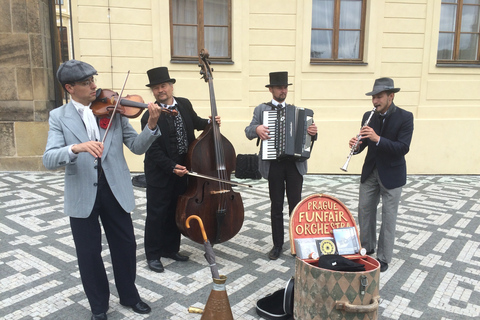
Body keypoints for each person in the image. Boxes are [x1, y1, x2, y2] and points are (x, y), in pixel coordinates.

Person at [43, 60, 162, 320]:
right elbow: (49, 159)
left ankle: (130, 296)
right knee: (88, 254)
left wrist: (151, 125)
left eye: (93, 80)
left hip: (115, 189)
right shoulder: (58, 117)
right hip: (82, 193)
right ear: (70, 87)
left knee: (125, 247)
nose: (94, 86)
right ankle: (98, 306)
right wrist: (76, 148)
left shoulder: (113, 110)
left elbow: (137, 147)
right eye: (86, 83)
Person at [141, 66, 221, 273]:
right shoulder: (150, 115)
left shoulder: (184, 104)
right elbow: (152, 150)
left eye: (163, 85)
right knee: (157, 214)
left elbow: (195, 123)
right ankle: (153, 254)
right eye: (156, 88)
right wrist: (170, 167)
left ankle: (171, 249)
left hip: (185, 169)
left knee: (176, 211)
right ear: (153, 91)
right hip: (161, 172)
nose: (160, 90)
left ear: (171, 86)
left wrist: (210, 122)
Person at [245, 71, 318, 260]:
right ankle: (277, 245)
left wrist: (313, 133)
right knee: (276, 206)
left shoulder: (298, 111)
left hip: (294, 165)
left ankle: (297, 244)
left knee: (296, 206)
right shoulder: (262, 110)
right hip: (274, 165)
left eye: (285, 87)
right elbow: (248, 130)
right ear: (271, 90)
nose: (283, 90)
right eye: (279, 87)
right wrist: (257, 128)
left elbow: (307, 140)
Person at [348, 77, 414, 272]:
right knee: (365, 210)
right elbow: (365, 144)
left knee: (388, 216)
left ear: (391, 96)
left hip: (392, 173)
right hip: (371, 171)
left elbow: (403, 147)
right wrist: (356, 146)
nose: (375, 101)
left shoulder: (405, 117)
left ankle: (384, 257)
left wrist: (377, 139)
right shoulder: (369, 115)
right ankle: (367, 248)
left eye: (379, 97)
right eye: (374, 97)